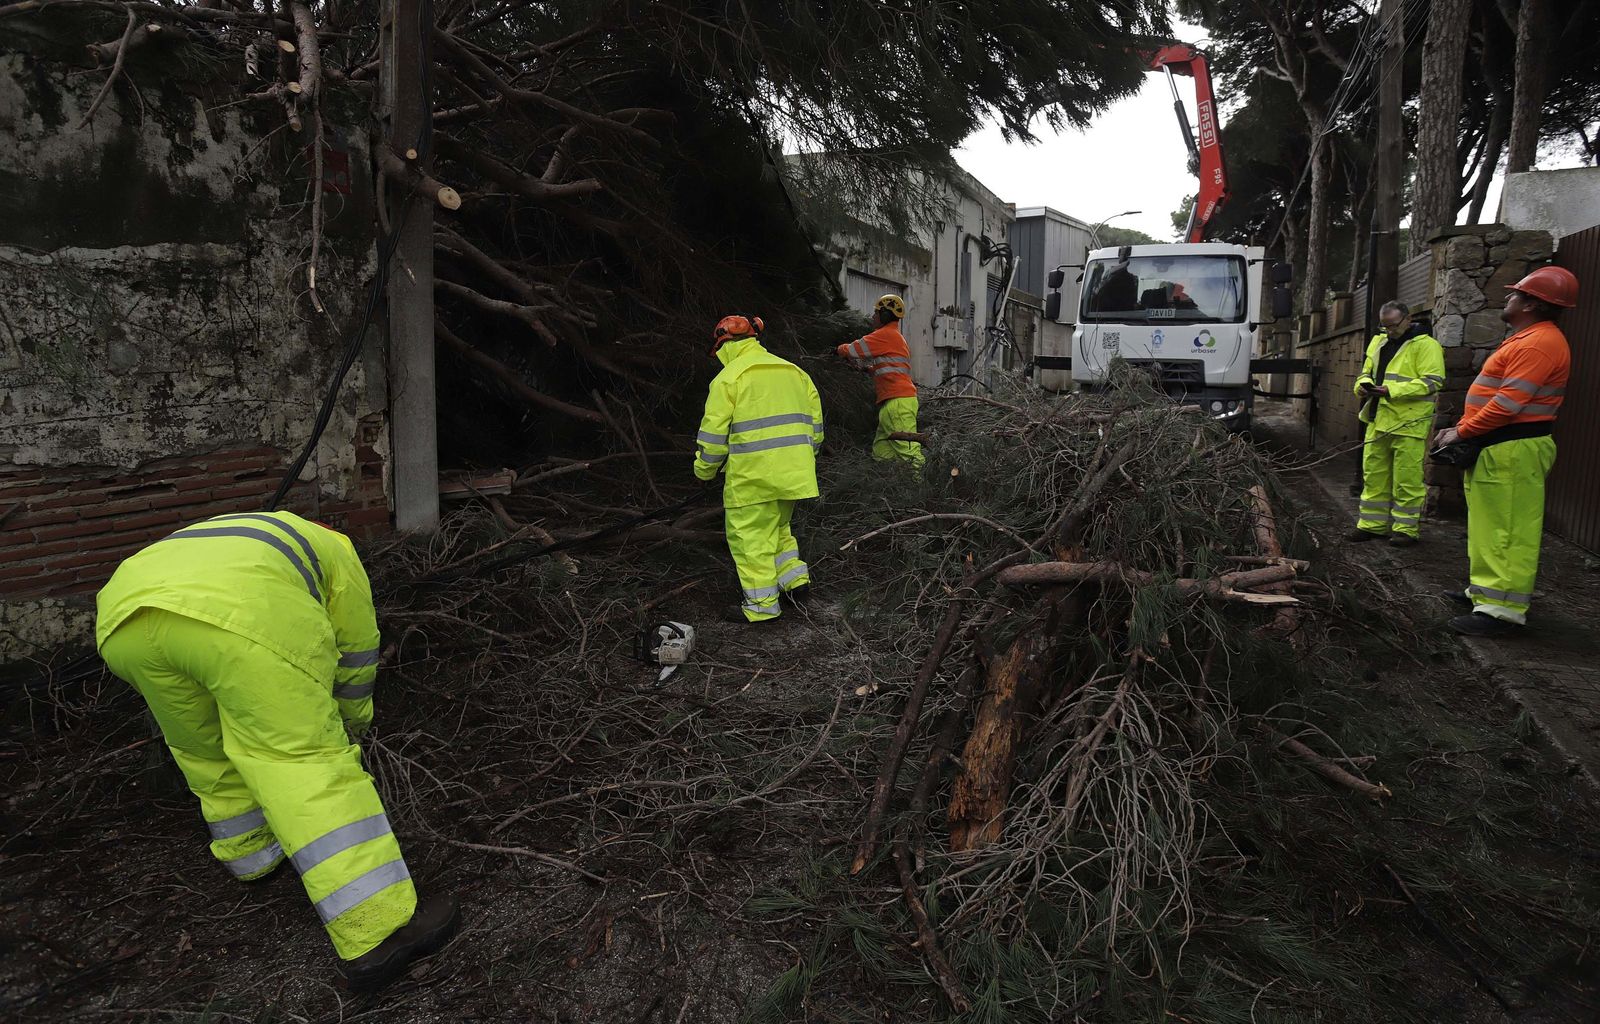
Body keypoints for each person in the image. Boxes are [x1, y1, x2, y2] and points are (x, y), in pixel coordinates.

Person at [95, 510, 458, 989]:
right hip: (236, 617)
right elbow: (356, 647)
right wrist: (349, 723)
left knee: (203, 749)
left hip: (123, 622)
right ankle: (380, 931)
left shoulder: (249, 528)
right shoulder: (338, 550)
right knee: (302, 764)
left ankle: (252, 856)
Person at [1433, 265, 1578, 636]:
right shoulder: (1528, 337)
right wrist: (1464, 430)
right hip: (1502, 446)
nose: (1508, 297)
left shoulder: (1538, 343)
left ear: (1532, 303)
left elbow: (1507, 405)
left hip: (1513, 448)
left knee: (1507, 530)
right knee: (1489, 526)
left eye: (1515, 294)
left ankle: (1501, 613)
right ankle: (1485, 594)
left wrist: (1461, 431)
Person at [694, 314, 825, 623]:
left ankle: (762, 607)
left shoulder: (729, 379)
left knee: (750, 537)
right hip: (794, 474)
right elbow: (816, 428)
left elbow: (712, 439)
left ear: (724, 344)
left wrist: (704, 471)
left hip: (752, 478)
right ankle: (795, 583)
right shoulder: (795, 373)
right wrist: (800, 460)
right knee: (778, 529)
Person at [1349, 301, 1446, 546]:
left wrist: (1390, 390)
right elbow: (1366, 372)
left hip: (1409, 422)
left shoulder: (1426, 345)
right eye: (1385, 326)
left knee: (1407, 478)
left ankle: (1405, 529)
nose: (1389, 330)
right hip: (1378, 418)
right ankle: (1372, 525)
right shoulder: (1379, 341)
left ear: (1407, 318)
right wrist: (1362, 386)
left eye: (1393, 325)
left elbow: (1433, 382)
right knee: (1374, 475)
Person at [837, 294, 924, 468]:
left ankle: (923, 489)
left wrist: (838, 349)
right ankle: (890, 488)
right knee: (882, 453)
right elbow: (891, 370)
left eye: (876, 313)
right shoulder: (894, 337)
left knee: (909, 454)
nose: (873, 317)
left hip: (898, 403)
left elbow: (855, 349)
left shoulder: (885, 334)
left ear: (884, 315)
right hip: (892, 403)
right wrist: (868, 370)